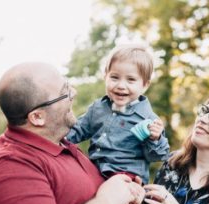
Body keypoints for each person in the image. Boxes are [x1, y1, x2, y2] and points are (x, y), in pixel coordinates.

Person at [0, 62, 145, 204]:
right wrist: (106, 203)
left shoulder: (57, 142)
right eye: (64, 92)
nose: (74, 92)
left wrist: (127, 193)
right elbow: (105, 200)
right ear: (37, 117)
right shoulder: (10, 168)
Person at [67, 44, 170, 186]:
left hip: (126, 178)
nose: (121, 85)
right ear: (105, 77)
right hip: (94, 171)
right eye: (115, 77)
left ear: (145, 85)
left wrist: (155, 138)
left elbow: (156, 156)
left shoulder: (149, 120)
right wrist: (54, 137)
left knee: (118, 202)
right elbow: (77, 131)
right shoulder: (98, 108)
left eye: (131, 80)